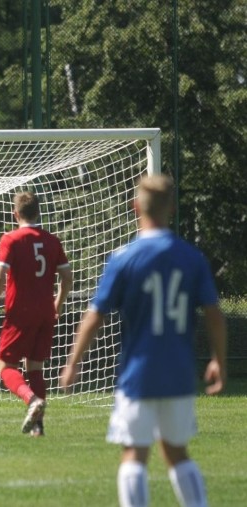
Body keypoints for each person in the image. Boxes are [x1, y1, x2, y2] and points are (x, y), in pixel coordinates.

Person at [59, 174, 227, 507]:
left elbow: (95, 315)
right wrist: (218, 360)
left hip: (139, 374)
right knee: (176, 451)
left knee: (134, 453)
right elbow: (214, 314)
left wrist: (73, 361)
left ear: (136, 207)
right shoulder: (192, 258)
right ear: (172, 210)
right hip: (179, 373)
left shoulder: (123, 258)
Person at [0, 191, 73, 436]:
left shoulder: (11, 239)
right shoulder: (53, 241)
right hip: (45, 311)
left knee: (5, 366)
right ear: (38, 212)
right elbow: (67, 278)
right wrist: (58, 304)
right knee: (35, 368)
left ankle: (31, 399)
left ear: (16, 214)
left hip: (20, 311)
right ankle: (38, 427)